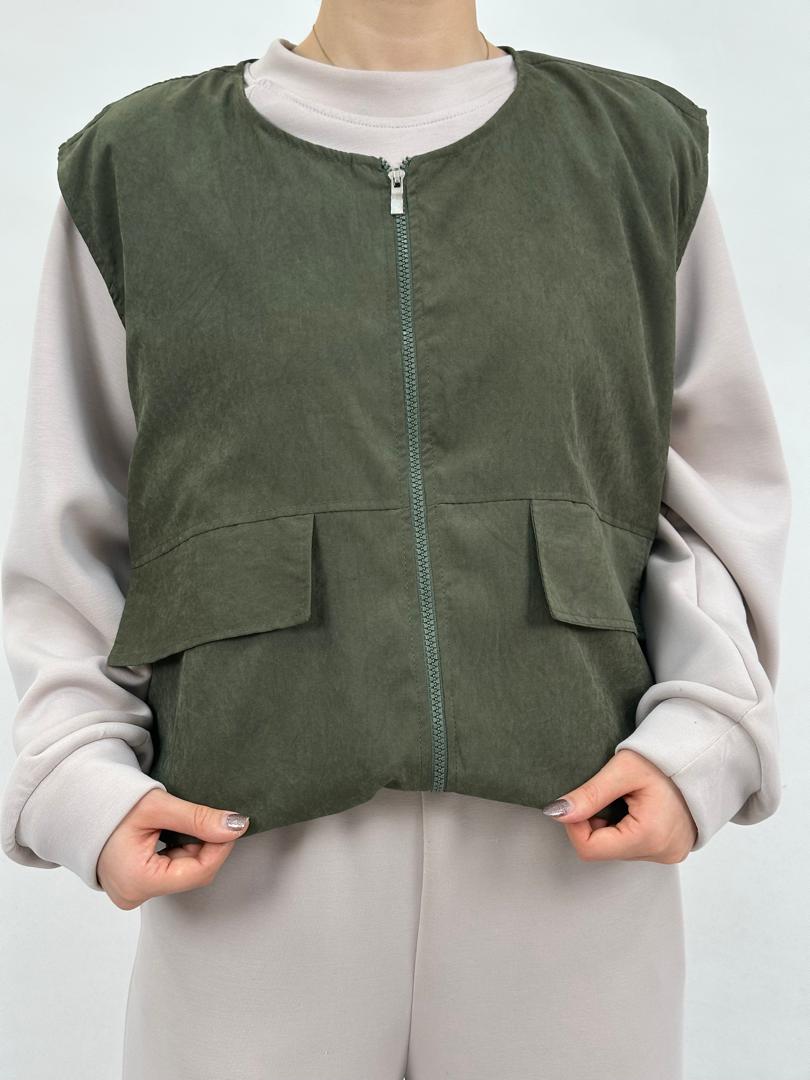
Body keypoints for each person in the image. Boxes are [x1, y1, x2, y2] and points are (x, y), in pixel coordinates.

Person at [0, 4, 791, 1078]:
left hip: (581, 840)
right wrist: (83, 784)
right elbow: (73, 515)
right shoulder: (134, 166)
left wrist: (701, 740)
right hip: (242, 854)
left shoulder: (638, 152)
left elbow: (711, 491)